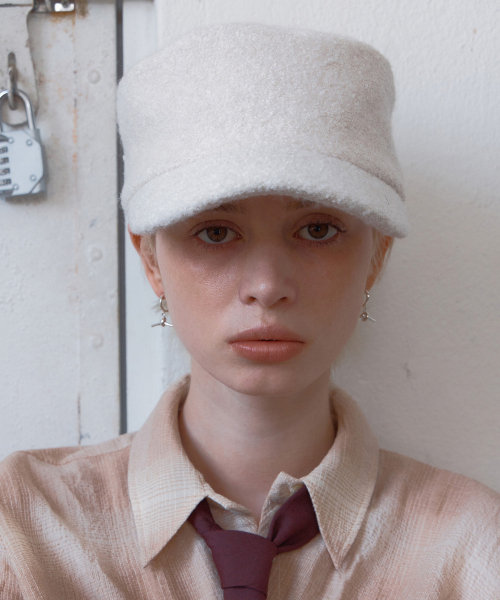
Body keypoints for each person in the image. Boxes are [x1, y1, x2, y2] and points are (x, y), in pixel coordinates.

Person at [0, 22, 499, 600]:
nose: (267, 286)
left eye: (317, 229)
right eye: (216, 232)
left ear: (376, 257)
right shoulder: (25, 528)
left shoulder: (471, 550)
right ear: (151, 259)